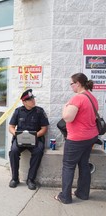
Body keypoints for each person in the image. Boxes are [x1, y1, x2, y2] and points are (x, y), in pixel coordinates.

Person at [54, 73, 99, 204]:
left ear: (78, 83)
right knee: (84, 165)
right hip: (90, 137)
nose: (71, 86)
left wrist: (65, 107)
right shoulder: (92, 97)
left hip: (77, 139)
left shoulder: (78, 98)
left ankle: (65, 197)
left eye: (71, 84)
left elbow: (67, 118)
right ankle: (83, 193)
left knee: (68, 166)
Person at [8, 89, 49, 190]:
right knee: (13, 151)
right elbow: (11, 127)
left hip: (35, 138)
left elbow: (44, 128)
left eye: (33, 99)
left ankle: (31, 179)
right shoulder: (18, 111)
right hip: (20, 139)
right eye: (30, 100)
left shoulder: (39, 111)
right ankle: (14, 178)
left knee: (38, 151)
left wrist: (35, 135)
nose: (33, 101)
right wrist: (17, 134)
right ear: (24, 102)